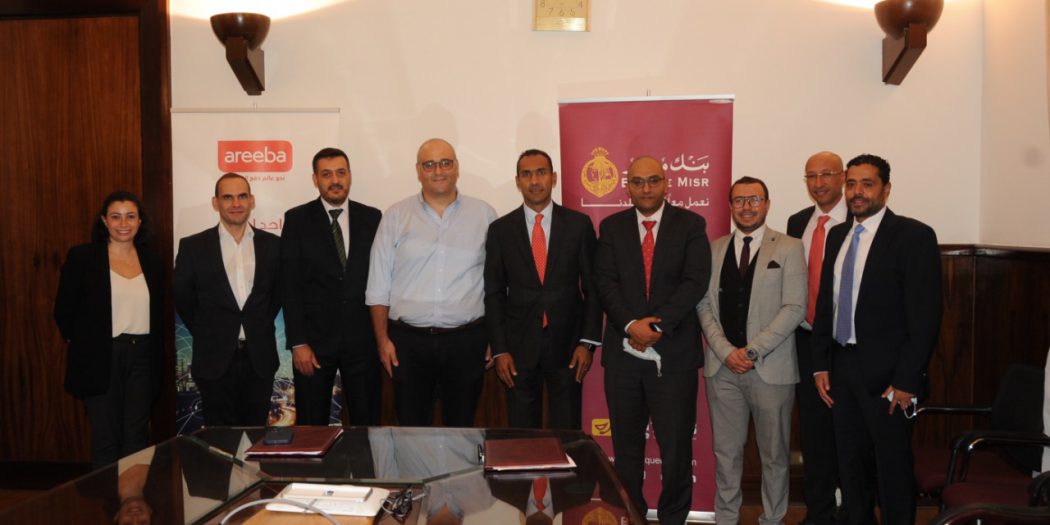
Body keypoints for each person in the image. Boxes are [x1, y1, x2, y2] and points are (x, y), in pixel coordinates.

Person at [812, 154, 942, 525]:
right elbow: (826, 306)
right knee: (850, 466)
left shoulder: (914, 236)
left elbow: (925, 317)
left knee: (892, 470)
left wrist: (907, 380)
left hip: (890, 379)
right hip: (841, 370)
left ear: (886, 189)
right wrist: (820, 364)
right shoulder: (837, 235)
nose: (857, 192)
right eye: (851, 184)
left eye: (867, 184)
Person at [593, 156, 711, 524]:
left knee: (675, 447)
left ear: (666, 184)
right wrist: (631, 325)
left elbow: (695, 281)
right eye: (638, 182)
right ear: (627, 186)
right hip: (624, 355)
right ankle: (632, 514)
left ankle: (674, 517)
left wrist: (656, 328)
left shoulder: (691, 225)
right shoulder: (611, 227)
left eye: (653, 180)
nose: (646, 188)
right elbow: (605, 283)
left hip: (673, 355)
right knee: (626, 448)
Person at [366, 138, 497, 427]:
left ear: (457, 167)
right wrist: (382, 341)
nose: (438, 171)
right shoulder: (395, 216)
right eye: (429, 164)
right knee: (411, 430)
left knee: (462, 430)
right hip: (407, 344)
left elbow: (497, 284)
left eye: (445, 163)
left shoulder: (484, 215)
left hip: (467, 342)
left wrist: (495, 338)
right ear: (418, 170)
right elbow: (377, 286)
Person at [697, 176, 806, 525]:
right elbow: (703, 305)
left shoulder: (789, 247)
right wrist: (725, 350)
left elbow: (794, 308)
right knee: (726, 453)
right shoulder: (714, 248)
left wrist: (752, 351)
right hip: (722, 369)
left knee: (774, 455)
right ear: (730, 206)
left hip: (771, 370)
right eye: (740, 200)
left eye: (754, 199)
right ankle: (726, 519)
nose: (747, 206)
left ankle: (773, 519)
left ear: (767, 204)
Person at [484, 149, 602, 429]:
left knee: (567, 433)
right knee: (523, 436)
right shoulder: (501, 230)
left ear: (554, 178)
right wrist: (500, 349)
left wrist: (586, 343)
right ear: (518, 181)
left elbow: (593, 288)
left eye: (541, 173)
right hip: (518, 350)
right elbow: (494, 293)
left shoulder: (578, 225)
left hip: (569, 348)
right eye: (526, 174)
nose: (534, 181)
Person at [55, 191, 163, 468]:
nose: (123, 224)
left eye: (130, 216)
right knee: (106, 439)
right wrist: (84, 343)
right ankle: (108, 498)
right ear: (104, 221)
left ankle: (133, 497)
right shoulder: (83, 257)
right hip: (100, 358)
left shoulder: (153, 262)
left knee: (137, 437)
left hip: (143, 359)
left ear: (140, 221)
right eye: (116, 217)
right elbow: (64, 310)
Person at [281, 147, 383, 426]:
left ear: (349, 176)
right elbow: (289, 285)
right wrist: (298, 342)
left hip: (363, 343)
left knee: (366, 426)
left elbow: (382, 278)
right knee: (311, 428)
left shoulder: (373, 218)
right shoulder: (296, 220)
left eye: (340, 173)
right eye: (326, 174)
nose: (335, 180)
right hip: (313, 345)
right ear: (315, 179)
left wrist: (382, 337)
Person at [173, 173, 281, 426]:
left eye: (242, 196)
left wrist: (257, 324)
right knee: (218, 439)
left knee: (257, 437)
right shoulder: (193, 246)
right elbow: (183, 297)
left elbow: (277, 295)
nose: (236, 203)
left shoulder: (273, 245)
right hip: (214, 359)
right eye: (228, 197)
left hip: (259, 358)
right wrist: (208, 330)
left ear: (252, 200)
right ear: (215, 203)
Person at [785, 151, 850, 525]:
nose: (819, 182)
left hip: (848, 344)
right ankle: (819, 513)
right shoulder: (798, 223)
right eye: (811, 176)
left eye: (827, 174)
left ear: (842, 177)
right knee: (814, 434)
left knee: (851, 432)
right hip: (806, 341)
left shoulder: (859, 219)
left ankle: (854, 511)